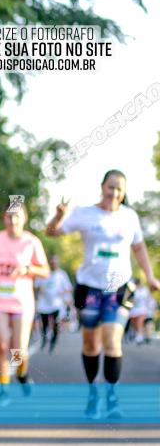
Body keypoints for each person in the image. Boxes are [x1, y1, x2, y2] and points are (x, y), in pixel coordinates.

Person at [45, 169, 160, 419]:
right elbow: (52, 232)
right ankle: (92, 393)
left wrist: (150, 276)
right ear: (102, 187)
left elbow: (139, 248)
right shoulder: (85, 214)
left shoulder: (130, 217)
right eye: (111, 187)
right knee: (90, 344)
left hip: (117, 289)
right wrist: (59, 216)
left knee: (112, 340)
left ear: (124, 192)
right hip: (89, 288)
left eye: (119, 188)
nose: (115, 193)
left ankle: (111, 396)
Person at [0, 203, 50, 405]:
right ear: (4, 218)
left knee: (18, 351)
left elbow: (45, 270)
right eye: (9, 217)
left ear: (24, 218)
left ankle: (22, 374)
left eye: (17, 216)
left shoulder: (32, 242)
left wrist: (27, 268)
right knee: (3, 346)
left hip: (22, 303)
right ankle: (3, 390)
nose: (13, 221)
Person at [35, 255, 73, 353]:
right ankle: (44, 340)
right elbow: (36, 286)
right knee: (44, 324)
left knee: (56, 324)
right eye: (52, 262)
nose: (53, 264)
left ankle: (53, 341)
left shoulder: (62, 274)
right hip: (44, 304)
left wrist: (62, 293)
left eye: (55, 262)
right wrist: (40, 289)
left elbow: (69, 288)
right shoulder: (43, 274)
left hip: (56, 304)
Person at [127, 279, 150, 344]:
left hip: (142, 309)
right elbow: (129, 299)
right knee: (134, 323)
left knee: (140, 322)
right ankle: (137, 333)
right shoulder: (133, 290)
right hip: (133, 309)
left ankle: (139, 336)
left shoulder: (145, 290)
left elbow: (148, 299)